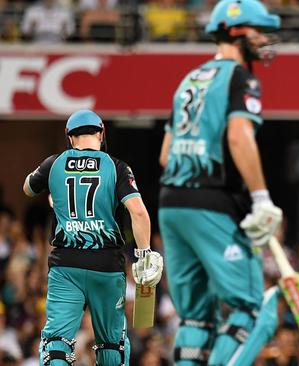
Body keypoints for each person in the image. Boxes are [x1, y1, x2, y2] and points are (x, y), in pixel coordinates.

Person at [157, 0, 283, 364]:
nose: (263, 41)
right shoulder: (240, 77)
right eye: (258, 32)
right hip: (211, 202)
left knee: (195, 316)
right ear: (238, 32)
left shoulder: (188, 81)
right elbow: (239, 137)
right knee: (250, 309)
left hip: (171, 203)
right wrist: (260, 198)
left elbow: (166, 154)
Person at [23, 110, 163, 366]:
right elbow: (139, 212)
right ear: (101, 134)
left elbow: (28, 187)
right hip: (106, 267)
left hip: (65, 265)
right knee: (112, 345)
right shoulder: (117, 167)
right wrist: (144, 255)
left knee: (57, 343)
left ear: (69, 136)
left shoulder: (54, 163)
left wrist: (55, 192)